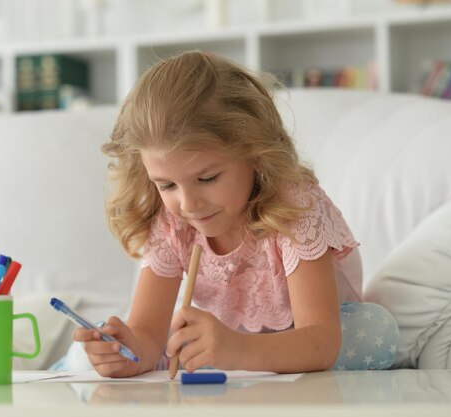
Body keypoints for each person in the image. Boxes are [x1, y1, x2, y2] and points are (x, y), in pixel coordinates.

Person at [71, 50, 398, 377]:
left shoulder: (295, 209)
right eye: (167, 185)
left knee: (376, 330)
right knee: (91, 355)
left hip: (313, 336)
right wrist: (127, 350)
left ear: (254, 152)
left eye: (207, 178)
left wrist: (236, 350)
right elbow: (147, 333)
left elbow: (322, 341)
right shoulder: (172, 223)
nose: (189, 204)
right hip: (229, 344)